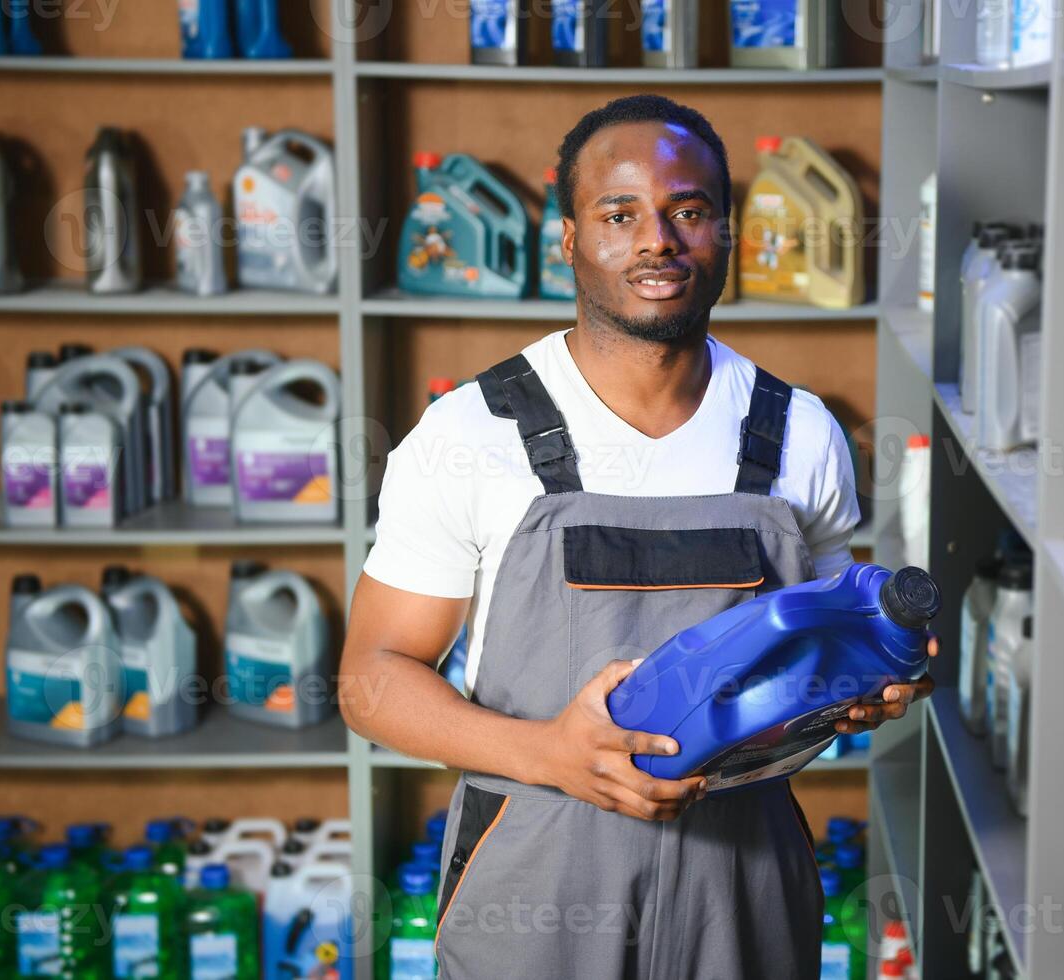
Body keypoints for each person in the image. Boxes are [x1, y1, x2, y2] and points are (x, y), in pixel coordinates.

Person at [340, 94, 935, 979]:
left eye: (687, 212)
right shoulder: (470, 434)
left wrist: (866, 691)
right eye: (619, 214)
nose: (657, 240)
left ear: (727, 233)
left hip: (746, 877)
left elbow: (825, 647)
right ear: (569, 238)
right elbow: (369, 681)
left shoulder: (799, 433)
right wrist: (550, 753)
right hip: (537, 873)